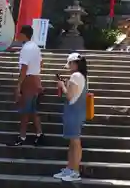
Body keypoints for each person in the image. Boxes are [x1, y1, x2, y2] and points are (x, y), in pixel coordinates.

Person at [53, 52, 88, 182]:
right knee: (73, 142)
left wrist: (62, 86)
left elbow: (69, 96)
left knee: (75, 142)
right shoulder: (81, 76)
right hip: (76, 111)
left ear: (74, 63)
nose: (68, 66)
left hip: (74, 112)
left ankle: (75, 171)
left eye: (69, 63)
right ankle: (70, 168)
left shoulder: (76, 76)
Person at [8, 25, 45, 147]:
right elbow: (41, 62)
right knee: (33, 110)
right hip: (35, 79)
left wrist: (18, 85)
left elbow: (24, 68)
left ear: (24, 35)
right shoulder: (35, 46)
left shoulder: (26, 48)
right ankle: (39, 134)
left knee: (25, 110)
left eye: (20, 33)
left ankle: (22, 137)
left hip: (28, 81)